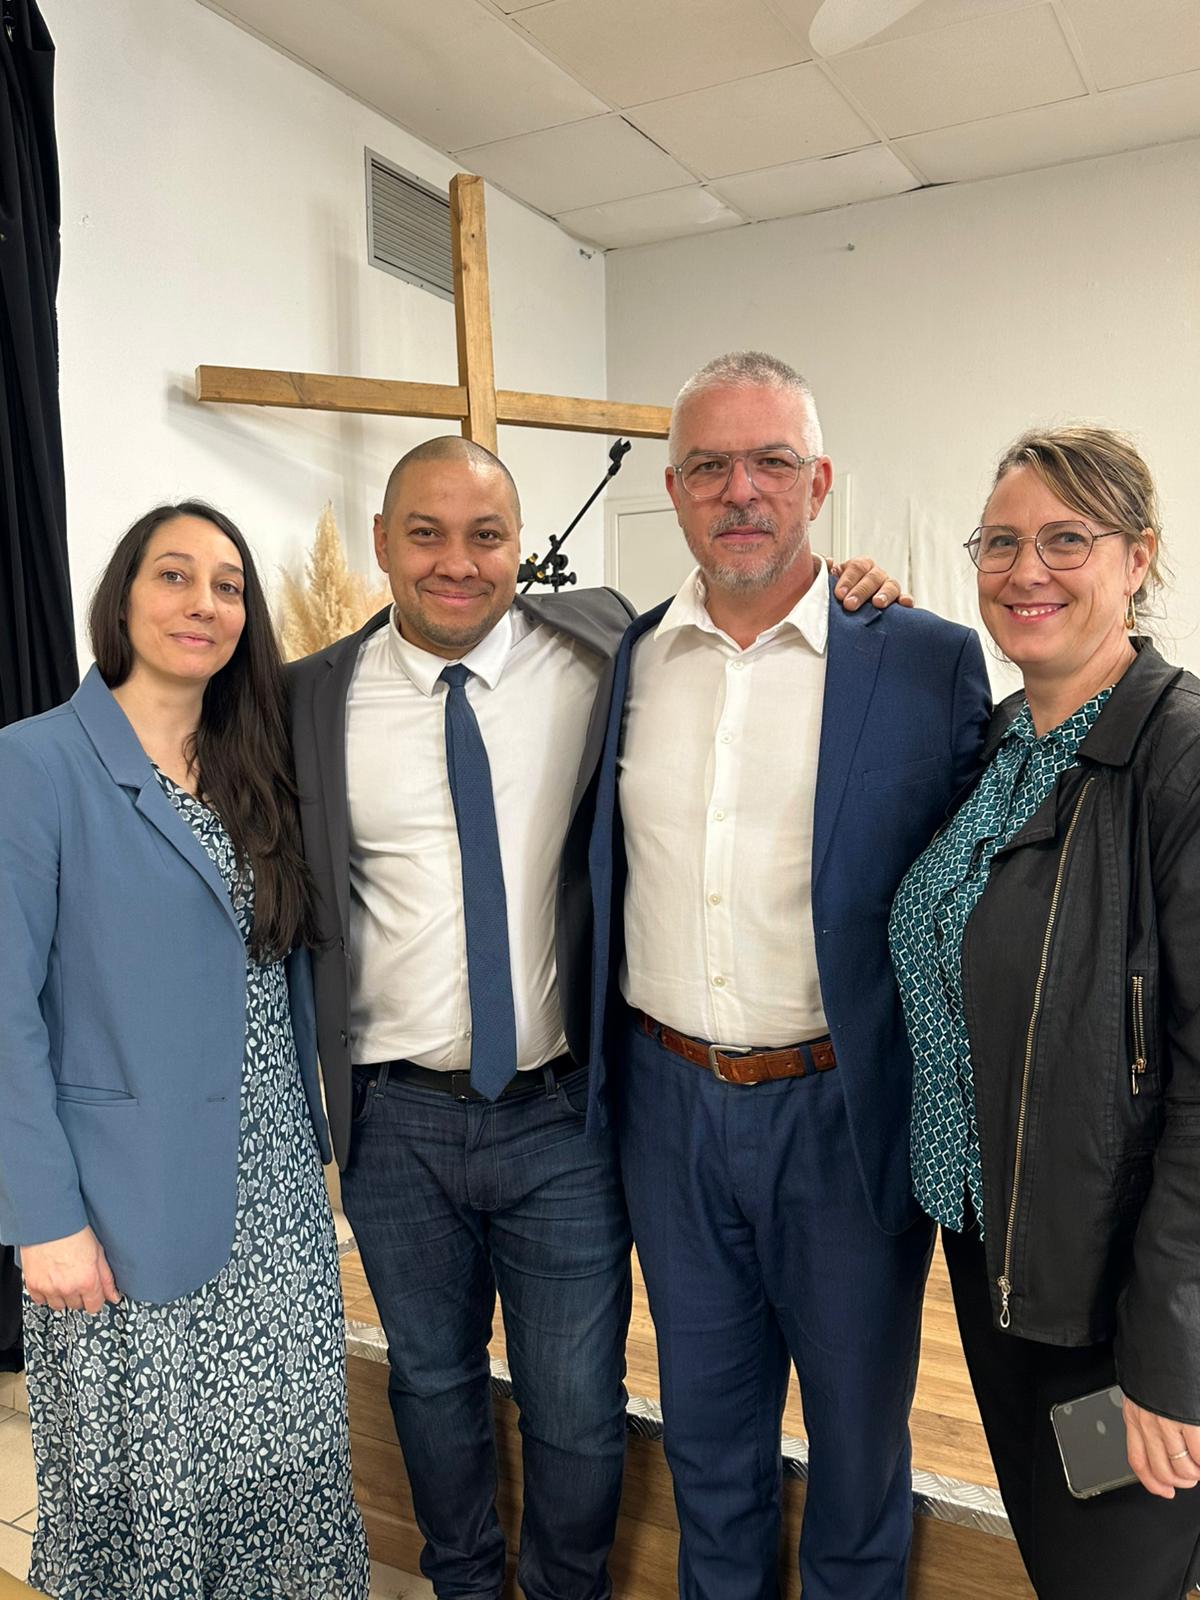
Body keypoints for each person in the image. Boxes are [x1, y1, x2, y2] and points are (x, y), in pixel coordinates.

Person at [287, 433, 899, 1600]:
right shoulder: (311, 695)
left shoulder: (606, 644)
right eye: (426, 533)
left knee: (576, 1400)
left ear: (522, 546)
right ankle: (466, 1582)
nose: (458, 561)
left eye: (487, 534)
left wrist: (853, 589)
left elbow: (753, 612)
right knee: (429, 1379)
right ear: (381, 542)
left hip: (562, 1114)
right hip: (394, 1119)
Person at [586, 351, 991, 1600]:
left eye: (771, 462)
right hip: (667, 1109)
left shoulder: (922, 659)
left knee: (860, 1446)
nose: (741, 490)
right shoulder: (629, 657)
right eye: (709, 466)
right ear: (672, 490)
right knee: (708, 1440)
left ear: (818, 483)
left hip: (841, 1115)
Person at [0, 503, 368, 1597]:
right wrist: (43, 1220)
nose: (203, 603)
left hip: (274, 1192)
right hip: (121, 1199)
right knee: (156, 1476)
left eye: (228, 584)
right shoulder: (35, 763)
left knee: (284, 1453)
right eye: (174, 575)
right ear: (121, 597)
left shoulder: (257, 762)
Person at [890, 426, 1200, 1599]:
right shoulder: (1001, 744)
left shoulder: (1178, 758)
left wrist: (1171, 1355)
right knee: (1059, 1550)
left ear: (1138, 559)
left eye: (1068, 540)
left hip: (1114, 1297)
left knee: (1108, 1570)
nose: (1027, 570)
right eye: (1001, 542)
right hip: (999, 1256)